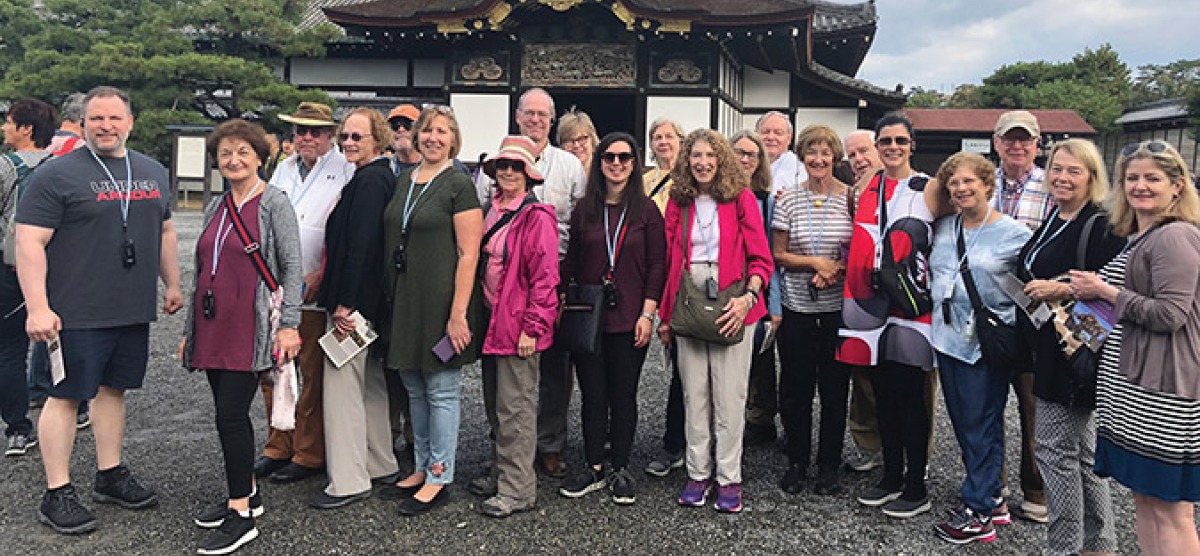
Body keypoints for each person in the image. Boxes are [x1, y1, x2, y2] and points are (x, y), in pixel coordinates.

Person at [16, 85, 183, 534]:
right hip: (75, 309)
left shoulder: (151, 171)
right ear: (83, 124)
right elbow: (29, 240)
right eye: (97, 119)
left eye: (114, 119)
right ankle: (58, 490)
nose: (106, 127)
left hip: (130, 307)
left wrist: (172, 283)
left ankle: (110, 474)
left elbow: (166, 229)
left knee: (114, 390)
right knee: (67, 395)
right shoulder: (57, 174)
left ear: (131, 122)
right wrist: (37, 307)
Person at [1071, 140, 1200, 556]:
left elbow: (1171, 315)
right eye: (1132, 178)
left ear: (1177, 186)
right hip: (1136, 388)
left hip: (1164, 391)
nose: (1140, 186)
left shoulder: (1176, 236)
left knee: (1172, 510)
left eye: (1152, 178)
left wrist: (1105, 292)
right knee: (1145, 500)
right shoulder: (1142, 235)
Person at [180, 119, 302, 555]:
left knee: (231, 415)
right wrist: (188, 332)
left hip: (250, 326)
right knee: (223, 411)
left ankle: (240, 515)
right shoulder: (217, 204)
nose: (234, 160)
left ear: (259, 157)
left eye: (243, 152)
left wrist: (289, 324)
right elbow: (201, 271)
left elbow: (290, 268)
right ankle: (248, 492)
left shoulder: (274, 203)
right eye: (226, 153)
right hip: (213, 325)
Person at [839, 112, 951, 519]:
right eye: (885, 141)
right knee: (880, 389)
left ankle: (916, 483)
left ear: (911, 144)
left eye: (899, 141)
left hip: (911, 300)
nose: (892, 148)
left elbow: (947, 239)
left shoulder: (930, 188)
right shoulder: (866, 187)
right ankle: (890, 473)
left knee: (910, 392)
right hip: (869, 299)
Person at [657, 129, 772, 514]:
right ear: (686, 161)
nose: (703, 162)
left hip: (733, 303)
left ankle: (729, 477)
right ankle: (697, 472)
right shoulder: (679, 201)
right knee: (695, 394)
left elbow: (761, 258)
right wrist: (663, 316)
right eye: (695, 156)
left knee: (730, 395)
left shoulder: (740, 198)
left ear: (721, 159)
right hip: (688, 301)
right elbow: (668, 258)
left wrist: (748, 299)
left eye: (710, 155)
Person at [473, 88, 585, 481]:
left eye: (543, 114)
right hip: (502, 289)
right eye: (529, 113)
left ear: (552, 120)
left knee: (554, 368)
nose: (536, 119)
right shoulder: (497, 165)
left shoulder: (569, 165)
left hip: (553, 277)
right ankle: (506, 449)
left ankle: (550, 443)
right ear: (517, 116)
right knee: (502, 375)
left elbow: (582, 222)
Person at [1018, 139, 1122, 556]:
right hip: (1052, 345)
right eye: (1057, 168)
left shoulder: (1102, 224)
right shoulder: (1056, 216)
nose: (1061, 177)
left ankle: (1063, 548)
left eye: (1073, 170)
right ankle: (1100, 544)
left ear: (1093, 176)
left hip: (1079, 347)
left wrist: (1058, 288)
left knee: (1054, 452)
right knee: (1081, 454)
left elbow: (1116, 286)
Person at [384, 105, 483, 516]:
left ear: (453, 139)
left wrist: (458, 312)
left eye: (442, 132)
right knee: (413, 384)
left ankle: (441, 473)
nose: (433, 138)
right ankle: (422, 464)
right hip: (406, 297)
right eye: (427, 131)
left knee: (440, 389)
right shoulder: (406, 179)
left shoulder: (459, 184)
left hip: (443, 299)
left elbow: (468, 252)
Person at [927, 152, 1031, 543]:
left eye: (969, 181)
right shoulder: (944, 227)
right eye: (954, 182)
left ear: (988, 184)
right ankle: (992, 498)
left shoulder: (1013, 233)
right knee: (967, 423)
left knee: (981, 424)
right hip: (946, 337)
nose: (961, 188)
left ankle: (978, 510)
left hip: (985, 342)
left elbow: (1029, 289)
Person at [559, 132, 665, 506]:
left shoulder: (647, 211)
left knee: (623, 395)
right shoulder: (585, 208)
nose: (616, 164)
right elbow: (570, 263)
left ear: (635, 164)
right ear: (599, 163)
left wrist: (648, 313)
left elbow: (657, 265)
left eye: (624, 157)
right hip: (590, 316)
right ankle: (593, 465)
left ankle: (620, 465)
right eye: (609, 157)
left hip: (631, 316)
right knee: (592, 395)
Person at [256, 102, 355, 484]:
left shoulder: (344, 170)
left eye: (316, 131)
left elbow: (342, 234)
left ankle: (309, 451)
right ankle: (278, 443)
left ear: (330, 135)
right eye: (301, 131)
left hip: (314, 285)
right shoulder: (282, 169)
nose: (307, 138)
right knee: (273, 368)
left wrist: (323, 273)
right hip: (274, 285)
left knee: (310, 371)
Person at [311, 108, 400, 509]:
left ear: (377, 140)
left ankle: (347, 479)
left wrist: (345, 303)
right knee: (371, 384)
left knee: (343, 386)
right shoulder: (381, 177)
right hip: (371, 301)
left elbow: (362, 247)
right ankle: (381, 461)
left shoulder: (368, 182)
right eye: (345, 136)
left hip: (354, 302)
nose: (348, 142)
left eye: (356, 137)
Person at [476, 135, 559, 517]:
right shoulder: (492, 209)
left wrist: (533, 327)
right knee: (496, 403)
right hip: (492, 320)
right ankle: (504, 471)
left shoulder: (537, 217)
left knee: (517, 408)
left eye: (515, 166)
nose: (507, 172)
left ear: (529, 174)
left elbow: (545, 278)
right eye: (502, 166)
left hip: (517, 325)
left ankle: (518, 489)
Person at [771, 125, 854, 495]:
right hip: (797, 307)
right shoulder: (788, 198)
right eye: (811, 152)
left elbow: (860, 250)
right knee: (795, 387)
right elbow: (779, 253)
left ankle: (829, 466)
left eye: (826, 153)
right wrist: (816, 264)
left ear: (835, 158)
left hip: (838, 308)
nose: (818, 159)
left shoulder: (850, 198)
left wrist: (834, 269)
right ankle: (797, 461)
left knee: (835, 389)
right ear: (802, 156)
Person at [991, 109, 1052, 523]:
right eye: (1009, 139)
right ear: (996, 142)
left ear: (1037, 143)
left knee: (1033, 404)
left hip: (1035, 308)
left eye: (1025, 139)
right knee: (987, 402)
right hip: (987, 309)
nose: (1017, 146)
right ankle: (992, 484)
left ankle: (1037, 487)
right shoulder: (979, 180)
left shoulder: (1054, 184)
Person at [29, 93, 91, 428]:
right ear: (84, 119)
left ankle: (38, 385)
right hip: (71, 246)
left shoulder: (45, 145)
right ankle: (69, 393)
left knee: (44, 314)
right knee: (69, 323)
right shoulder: (81, 152)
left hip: (38, 243)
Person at [0, 99, 57, 457]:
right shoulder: (63, 167)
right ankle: (73, 408)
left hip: (11, 267)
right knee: (60, 344)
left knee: (10, 349)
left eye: (8, 123)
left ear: (26, 129)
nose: (5, 128)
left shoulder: (5, 167)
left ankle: (18, 429)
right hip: (58, 267)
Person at [641, 117, 689, 478]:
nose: (662, 142)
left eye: (668, 136)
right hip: (645, 273)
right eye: (656, 137)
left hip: (682, 277)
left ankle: (682, 441)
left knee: (685, 366)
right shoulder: (643, 180)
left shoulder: (690, 181)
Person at [730, 130, 783, 447]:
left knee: (761, 357)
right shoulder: (719, 196)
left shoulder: (768, 201)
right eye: (739, 152)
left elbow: (770, 255)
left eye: (752, 154)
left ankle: (760, 417)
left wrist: (773, 302)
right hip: (725, 287)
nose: (745, 159)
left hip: (757, 286)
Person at [840, 129, 885, 473]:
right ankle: (870, 445)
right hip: (861, 291)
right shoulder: (854, 193)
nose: (858, 160)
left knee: (908, 377)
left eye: (864, 151)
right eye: (852, 155)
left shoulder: (914, 186)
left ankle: (915, 454)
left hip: (902, 294)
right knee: (865, 373)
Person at [756, 111, 807, 193]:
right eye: (765, 132)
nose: (771, 137)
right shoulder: (746, 163)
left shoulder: (800, 169)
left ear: (789, 138)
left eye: (778, 133)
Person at [387, 104, 421, 174]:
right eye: (395, 125)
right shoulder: (383, 169)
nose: (401, 129)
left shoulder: (434, 167)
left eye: (407, 124)